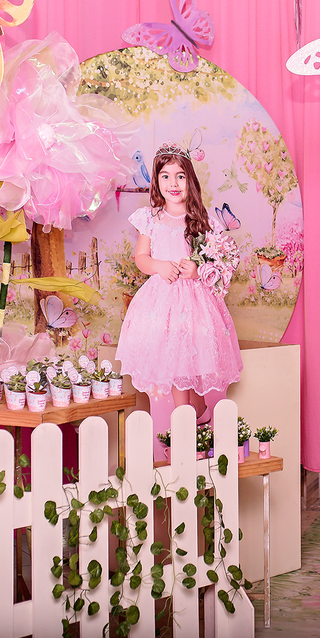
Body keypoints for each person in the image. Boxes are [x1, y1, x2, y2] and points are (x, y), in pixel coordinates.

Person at [115, 143, 243, 460]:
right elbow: (141, 258)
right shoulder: (151, 218)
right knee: (174, 364)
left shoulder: (202, 219)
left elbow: (219, 259)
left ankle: (195, 415)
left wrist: (198, 269)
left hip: (196, 303)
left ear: (190, 181)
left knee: (190, 361)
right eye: (166, 176)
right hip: (162, 302)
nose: (173, 183)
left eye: (180, 176)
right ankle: (183, 433)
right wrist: (159, 266)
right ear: (157, 181)